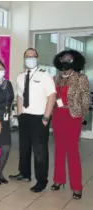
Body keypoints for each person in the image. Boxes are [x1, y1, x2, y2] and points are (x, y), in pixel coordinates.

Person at [9, 48, 56, 193]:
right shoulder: (21, 76)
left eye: (32, 56)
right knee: (24, 148)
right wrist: (19, 114)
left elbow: (52, 96)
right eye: (27, 56)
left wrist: (46, 117)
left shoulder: (44, 75)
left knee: (40, 151)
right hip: (25, 117)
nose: (30, 58)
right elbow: (20, 96)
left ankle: (41, 180)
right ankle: (24, 173)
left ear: (37, 57)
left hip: (39, 118)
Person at [51, 50, 89, 200]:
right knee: (59, 149)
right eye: (63, 58)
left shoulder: (81, 78)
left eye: (69, 58)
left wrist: (80, 113)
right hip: (58, 115)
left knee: (72, 151)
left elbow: (86, 101)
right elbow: (53, 97)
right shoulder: (56, 78)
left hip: (73, 117)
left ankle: (77, 186)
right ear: (59, 60)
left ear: (75, 61)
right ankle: (59, 179)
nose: (66, 60)